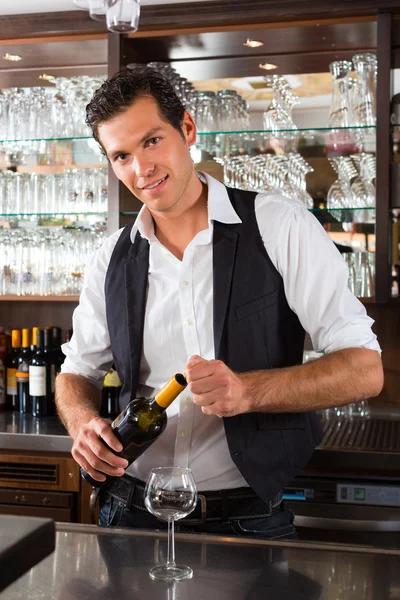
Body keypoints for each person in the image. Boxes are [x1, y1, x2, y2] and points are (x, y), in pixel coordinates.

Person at [55, 67, 383, 540]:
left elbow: (365, 369)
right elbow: (75, 372)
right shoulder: (111, 257)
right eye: (121, 155)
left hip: (249, 520)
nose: (140, 169)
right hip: (131, 513)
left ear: (188, 129)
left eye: (152, 141)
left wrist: (247, 391)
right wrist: (84, 423)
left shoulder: (278, 226)